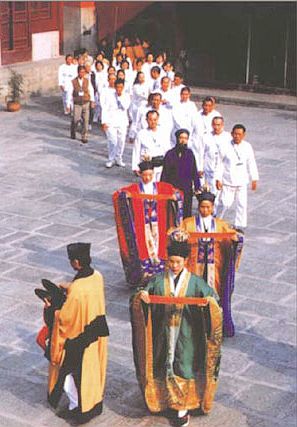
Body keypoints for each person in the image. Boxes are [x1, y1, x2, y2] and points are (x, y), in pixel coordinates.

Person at [130, 232, 222, 426]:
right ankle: (165, 401)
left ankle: (183, 406)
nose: (174, 266)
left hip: (186, 333)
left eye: (178, 262)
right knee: (163, 362)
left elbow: (214, 299)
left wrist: (208, 304)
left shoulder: (196, 282)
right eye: (171, 262)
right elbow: (140, 293)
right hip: (163, 333)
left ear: (186, 261)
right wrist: (143, 297)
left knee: (184, 364)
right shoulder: (157, 280)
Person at [47, 243, 109, 423]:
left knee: (70, 375)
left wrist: (52, 310)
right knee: (93, 372)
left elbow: (66, 319)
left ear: (76, 262)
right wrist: (70, 287)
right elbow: (88, 297)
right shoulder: (97, 276)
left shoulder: (77, 289)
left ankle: (79, 409)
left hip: (80, 339)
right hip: (97, 330)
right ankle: (94, 405)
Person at [181, 189, 243, 336]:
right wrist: (178, 236)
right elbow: (174, 234)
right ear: (199, 206)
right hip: (193, 266)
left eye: (208, 207)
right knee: (193, 294)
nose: (205, 210)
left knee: (213, 295)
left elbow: (232, 240)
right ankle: (192, 325)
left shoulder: (220, 225)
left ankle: (212, 325)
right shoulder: (188, 223)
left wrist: (236, 240)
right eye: (202, 206)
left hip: (214, 268)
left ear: (213, 207)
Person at [113, 159, 183, 285]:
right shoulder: (134, 189)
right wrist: (125, 196)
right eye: (145, 175)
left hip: (160, 226)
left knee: (160, 249)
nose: (147, 178)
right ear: (140, 174)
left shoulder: (162, 187)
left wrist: (175, 197)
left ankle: (162, 276)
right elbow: (118, 194)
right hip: (142, 226)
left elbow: (178, 193)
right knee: (143, 250)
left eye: (150, 175)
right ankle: (144, 278)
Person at [215, 124, 259, 231]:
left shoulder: (247, 146)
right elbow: (219, 163)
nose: (237, 136)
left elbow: (251, 162)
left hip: (242, 181)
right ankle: (216, 220)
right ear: (231, 134)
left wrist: (254, 178)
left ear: (243, 135)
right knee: (225, 203)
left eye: (239, 134)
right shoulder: (224, 146)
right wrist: (218, 179)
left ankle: (240, 225)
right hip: (228, 180)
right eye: (235, 134)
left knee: (242, 205)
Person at [161, 129, 200, 218]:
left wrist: (197, 186)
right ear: (177, 139)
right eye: (181, 138)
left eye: (185, 138)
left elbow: (194, 171)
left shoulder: (190, 154)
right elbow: (165, 173)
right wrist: (163, 188)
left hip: (186, 190)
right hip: (173, 188)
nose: (183, 141)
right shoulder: (170, 154)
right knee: (172, 212)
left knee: (186, 212)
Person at [132, 110, 171, 180]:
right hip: (147, 166)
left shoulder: (164, 132)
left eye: (155, 120)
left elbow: (167, 149)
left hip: (161, 165)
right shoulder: (141, 134)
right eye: (150, 120)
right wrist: (135, 167)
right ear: (146, 120)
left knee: (160, 187)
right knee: (148, 188)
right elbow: (136, 151)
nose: (153, 122)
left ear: (158, 119)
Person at [101, 78, 130, 168]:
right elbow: (105, 109)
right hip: (111, 122)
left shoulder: (126, 96)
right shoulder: (109, 95)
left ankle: (119, 158)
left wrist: (120, 97)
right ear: (115, 87)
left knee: (121, 141)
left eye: (121, 87)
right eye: (117, 87)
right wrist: (104, 121)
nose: (119, 89)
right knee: (113, 141)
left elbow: (125, 106)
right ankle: (111, 159)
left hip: (122, 122)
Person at [201, 116, 231, 196]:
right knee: (210, 192)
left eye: (218, 125)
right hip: (209, 168)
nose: (216, 127)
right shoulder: (206, 136)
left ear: (222, 125)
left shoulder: (228, 137)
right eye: (214, 125)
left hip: (223, 169)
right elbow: (201, 153)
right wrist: (200, 168)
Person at [69, 65, 95, 144]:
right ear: (78, 72)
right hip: (77, 103)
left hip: (86, 102)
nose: (82, 74)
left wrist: (92, 101)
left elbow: (91, 90)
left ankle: (84, 136)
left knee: (86, 120)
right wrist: (68, 104)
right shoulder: (73, 81)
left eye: (83, 72)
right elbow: (70, 93)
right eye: (81, 72)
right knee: (76, 119)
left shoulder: (87, 81)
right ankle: (73, 130)